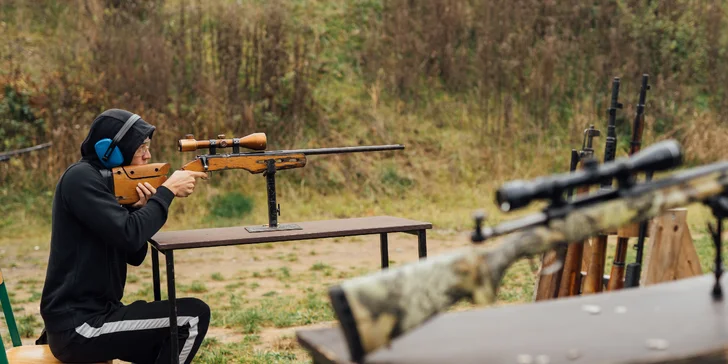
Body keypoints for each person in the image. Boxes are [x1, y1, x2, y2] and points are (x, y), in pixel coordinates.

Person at [39, 108, 210, 364]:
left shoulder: (105, 184)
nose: (147, 155)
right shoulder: (80, 178)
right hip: (79, 327)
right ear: (111, 150)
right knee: (192, 317)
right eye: (141, 147)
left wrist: (136, 208)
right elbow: (130, 235)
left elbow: (134, 253)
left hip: (99, 315)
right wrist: (166, 193)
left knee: (168, 343)